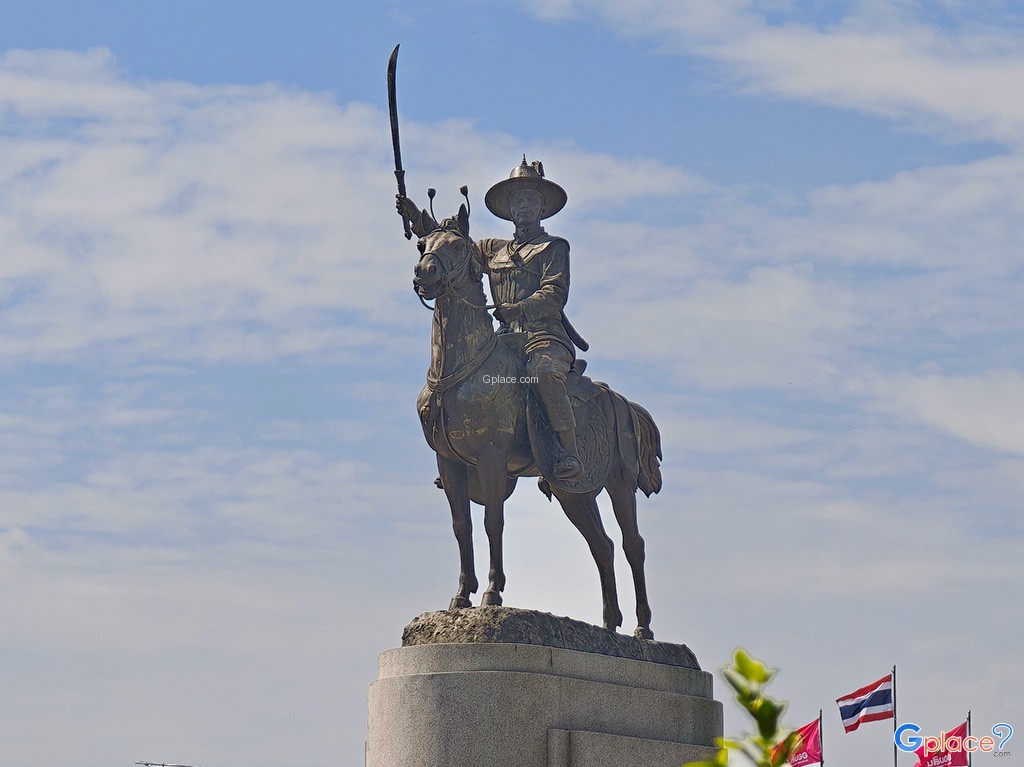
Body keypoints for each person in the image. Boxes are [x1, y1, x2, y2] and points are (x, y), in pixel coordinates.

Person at [398, 158, 585, 479]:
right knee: (464, 373)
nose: (522, 206)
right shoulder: (492, 250)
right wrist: (416, 218)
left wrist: (518, 309)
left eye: (529, 200)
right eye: (517, 201)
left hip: (545, 338)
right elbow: (451, 246)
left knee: (542, 375)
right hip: (504, 340)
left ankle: (567, 451)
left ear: (542, 208)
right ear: (509, 210)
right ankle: (458, 449)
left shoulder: (553, 247)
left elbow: (555, 293)